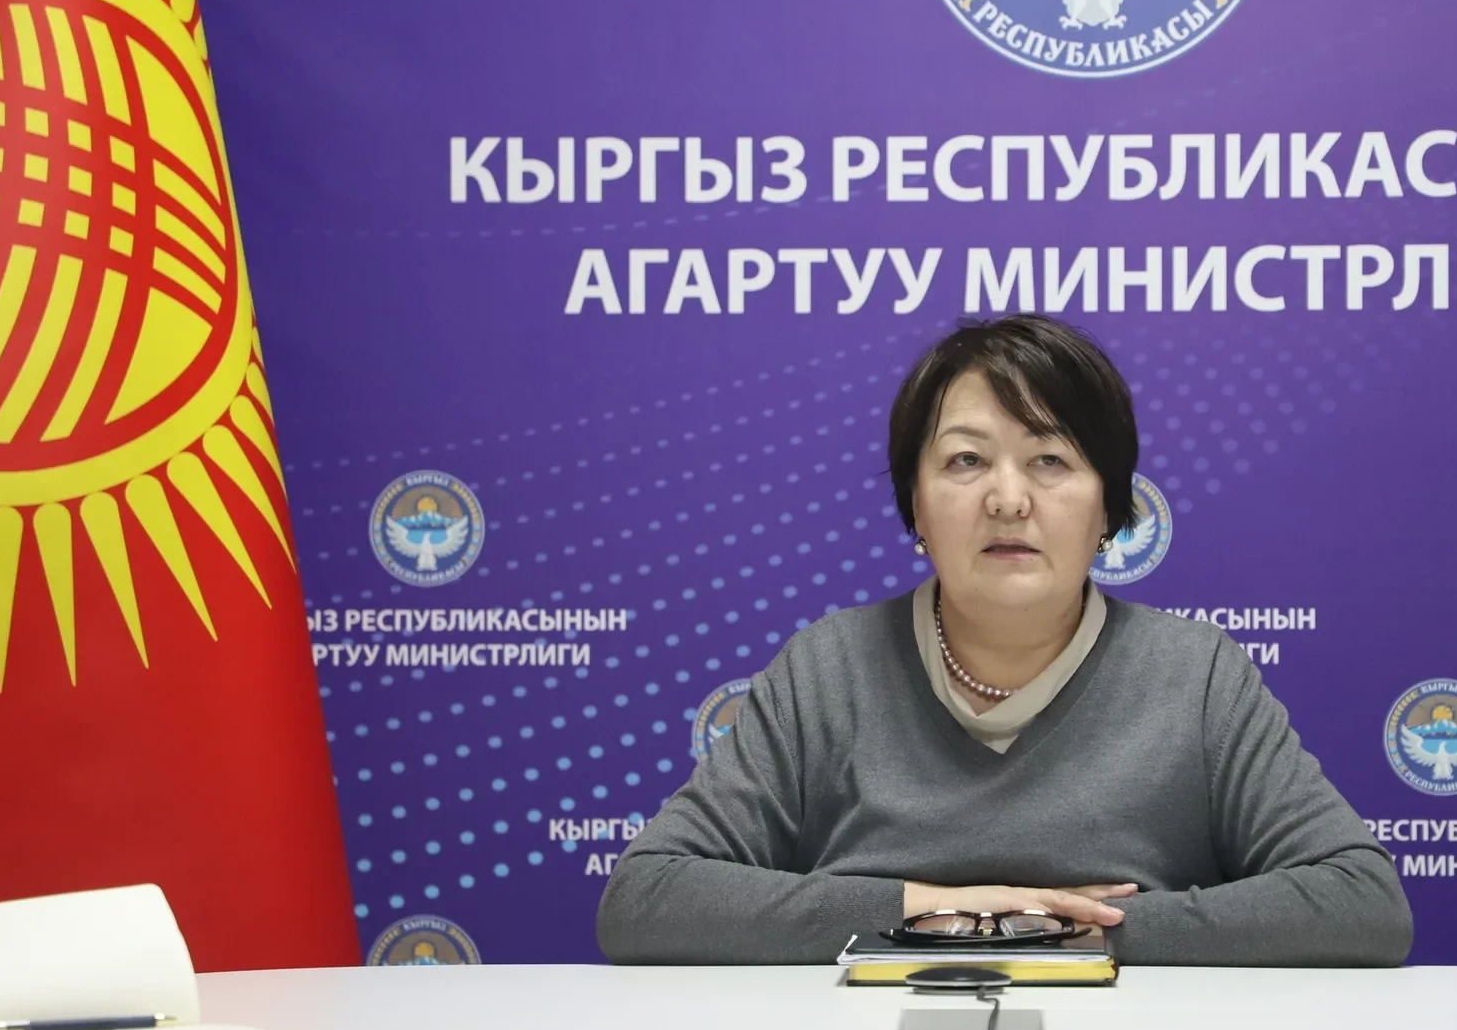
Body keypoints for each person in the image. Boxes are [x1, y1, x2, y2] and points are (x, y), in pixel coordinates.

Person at [597, 315, 1412, 966]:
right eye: (966, 461)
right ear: (915, 506)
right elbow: (648, 898)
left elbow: (1361, 902)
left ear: (1110, 510)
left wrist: (1066, 932)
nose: (1008, 499)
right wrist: (932, 911)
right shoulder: (827, 669)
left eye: (1050, 459)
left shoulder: (1195, 677)